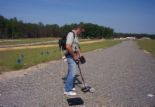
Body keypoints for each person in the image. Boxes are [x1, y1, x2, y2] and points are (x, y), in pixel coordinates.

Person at [64, 26, 84, 96]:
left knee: (71, 72)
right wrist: (74, 56)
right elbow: (68, 46)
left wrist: (80, 54)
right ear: (78, 29)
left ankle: (71, 86)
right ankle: (67, 90)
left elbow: (77, 46)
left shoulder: (76, 36)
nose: (81, 33)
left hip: (74, 55)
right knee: (72, 73)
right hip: (70, 55)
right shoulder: (71, 34)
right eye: (81, 31)